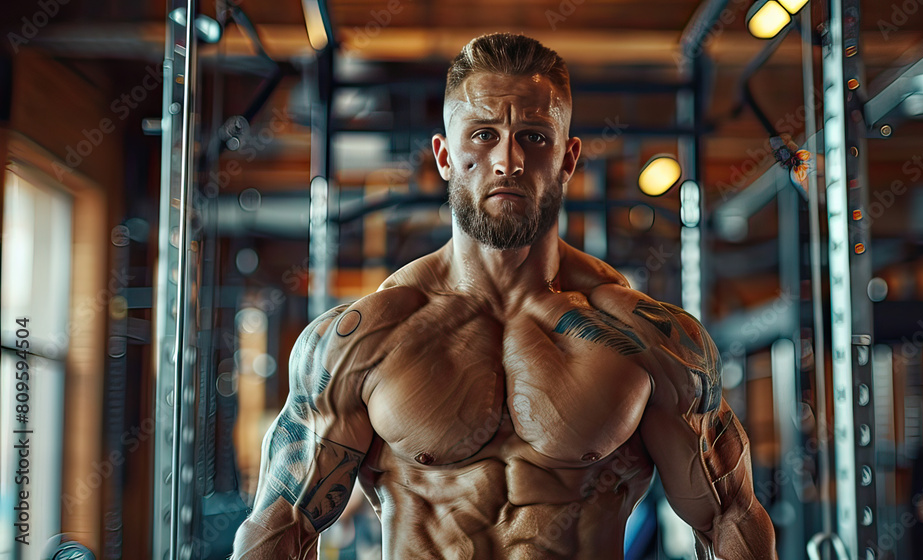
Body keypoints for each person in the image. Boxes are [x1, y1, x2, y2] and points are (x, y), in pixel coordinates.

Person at [232, 32, 777, 559]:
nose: (508, 161)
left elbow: (729, 517)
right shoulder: (363, 339)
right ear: (445, 156)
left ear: (568, 157)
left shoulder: (649, 338)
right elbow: (282, 527)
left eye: (535, 137)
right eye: (483, 134)